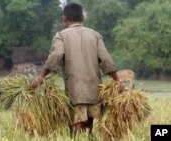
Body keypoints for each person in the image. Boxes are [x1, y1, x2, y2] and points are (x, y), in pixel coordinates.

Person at [32, 2, 123, 138]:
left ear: (64, 18)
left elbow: (56, 55)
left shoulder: (61, 35)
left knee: (76, 126)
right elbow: (106, 59)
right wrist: (117, 80)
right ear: (83, 18)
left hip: (75, 91)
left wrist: (41, 76)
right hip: (95, 90)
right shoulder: (94, 35)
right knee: (88, 127)